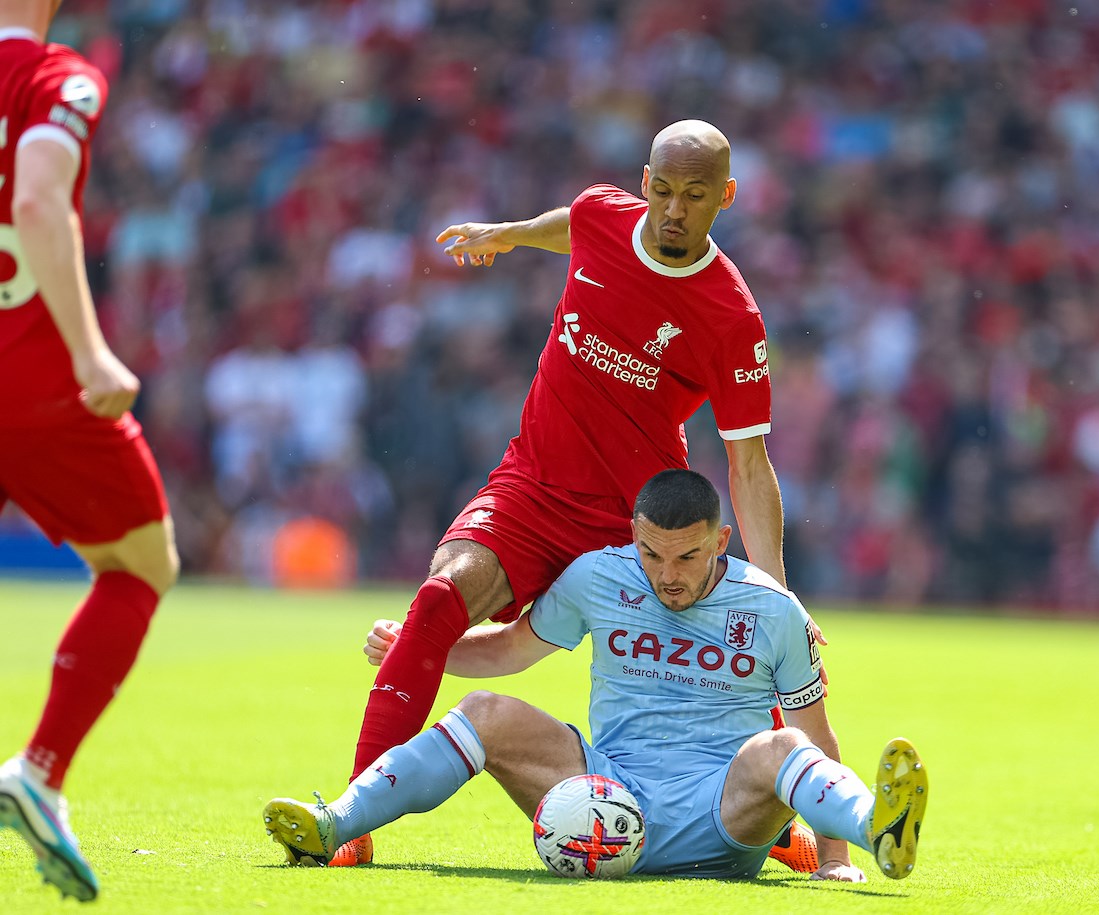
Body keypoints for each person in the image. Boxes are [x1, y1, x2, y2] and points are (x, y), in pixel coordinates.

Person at [334, 119, 823, 869]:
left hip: (633, 520)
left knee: (718, 656)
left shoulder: (731, 317)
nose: (673, 211)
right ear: (643, 181)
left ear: (725, 197)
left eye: (695, 197)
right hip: (531, 484)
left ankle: (777, 821)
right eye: (661, 191)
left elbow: (750, 466)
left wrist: (777, 595)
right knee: (437, 601)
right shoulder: (602, 214)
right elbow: (572, 227)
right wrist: (509, 233)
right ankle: (352, 817)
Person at [263, 470, 927, 882]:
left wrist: (836, 859)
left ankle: (879, 829)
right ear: (632, 536)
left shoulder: (774, 609)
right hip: (606, 793)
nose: (667, 573)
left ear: (721, 540)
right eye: (651, 553)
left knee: (782, 747)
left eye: (688, 555)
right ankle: (335, 823)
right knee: (488, 709)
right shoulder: (598, 576)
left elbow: (817, 737)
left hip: (720, 816)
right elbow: (509, 649)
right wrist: (419, 648)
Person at [0, 1, 179, 902]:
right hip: (29, 382)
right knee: (141, 562)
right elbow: (34, 198)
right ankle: (38, 768)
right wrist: (88, 350)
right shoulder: (58, 75)